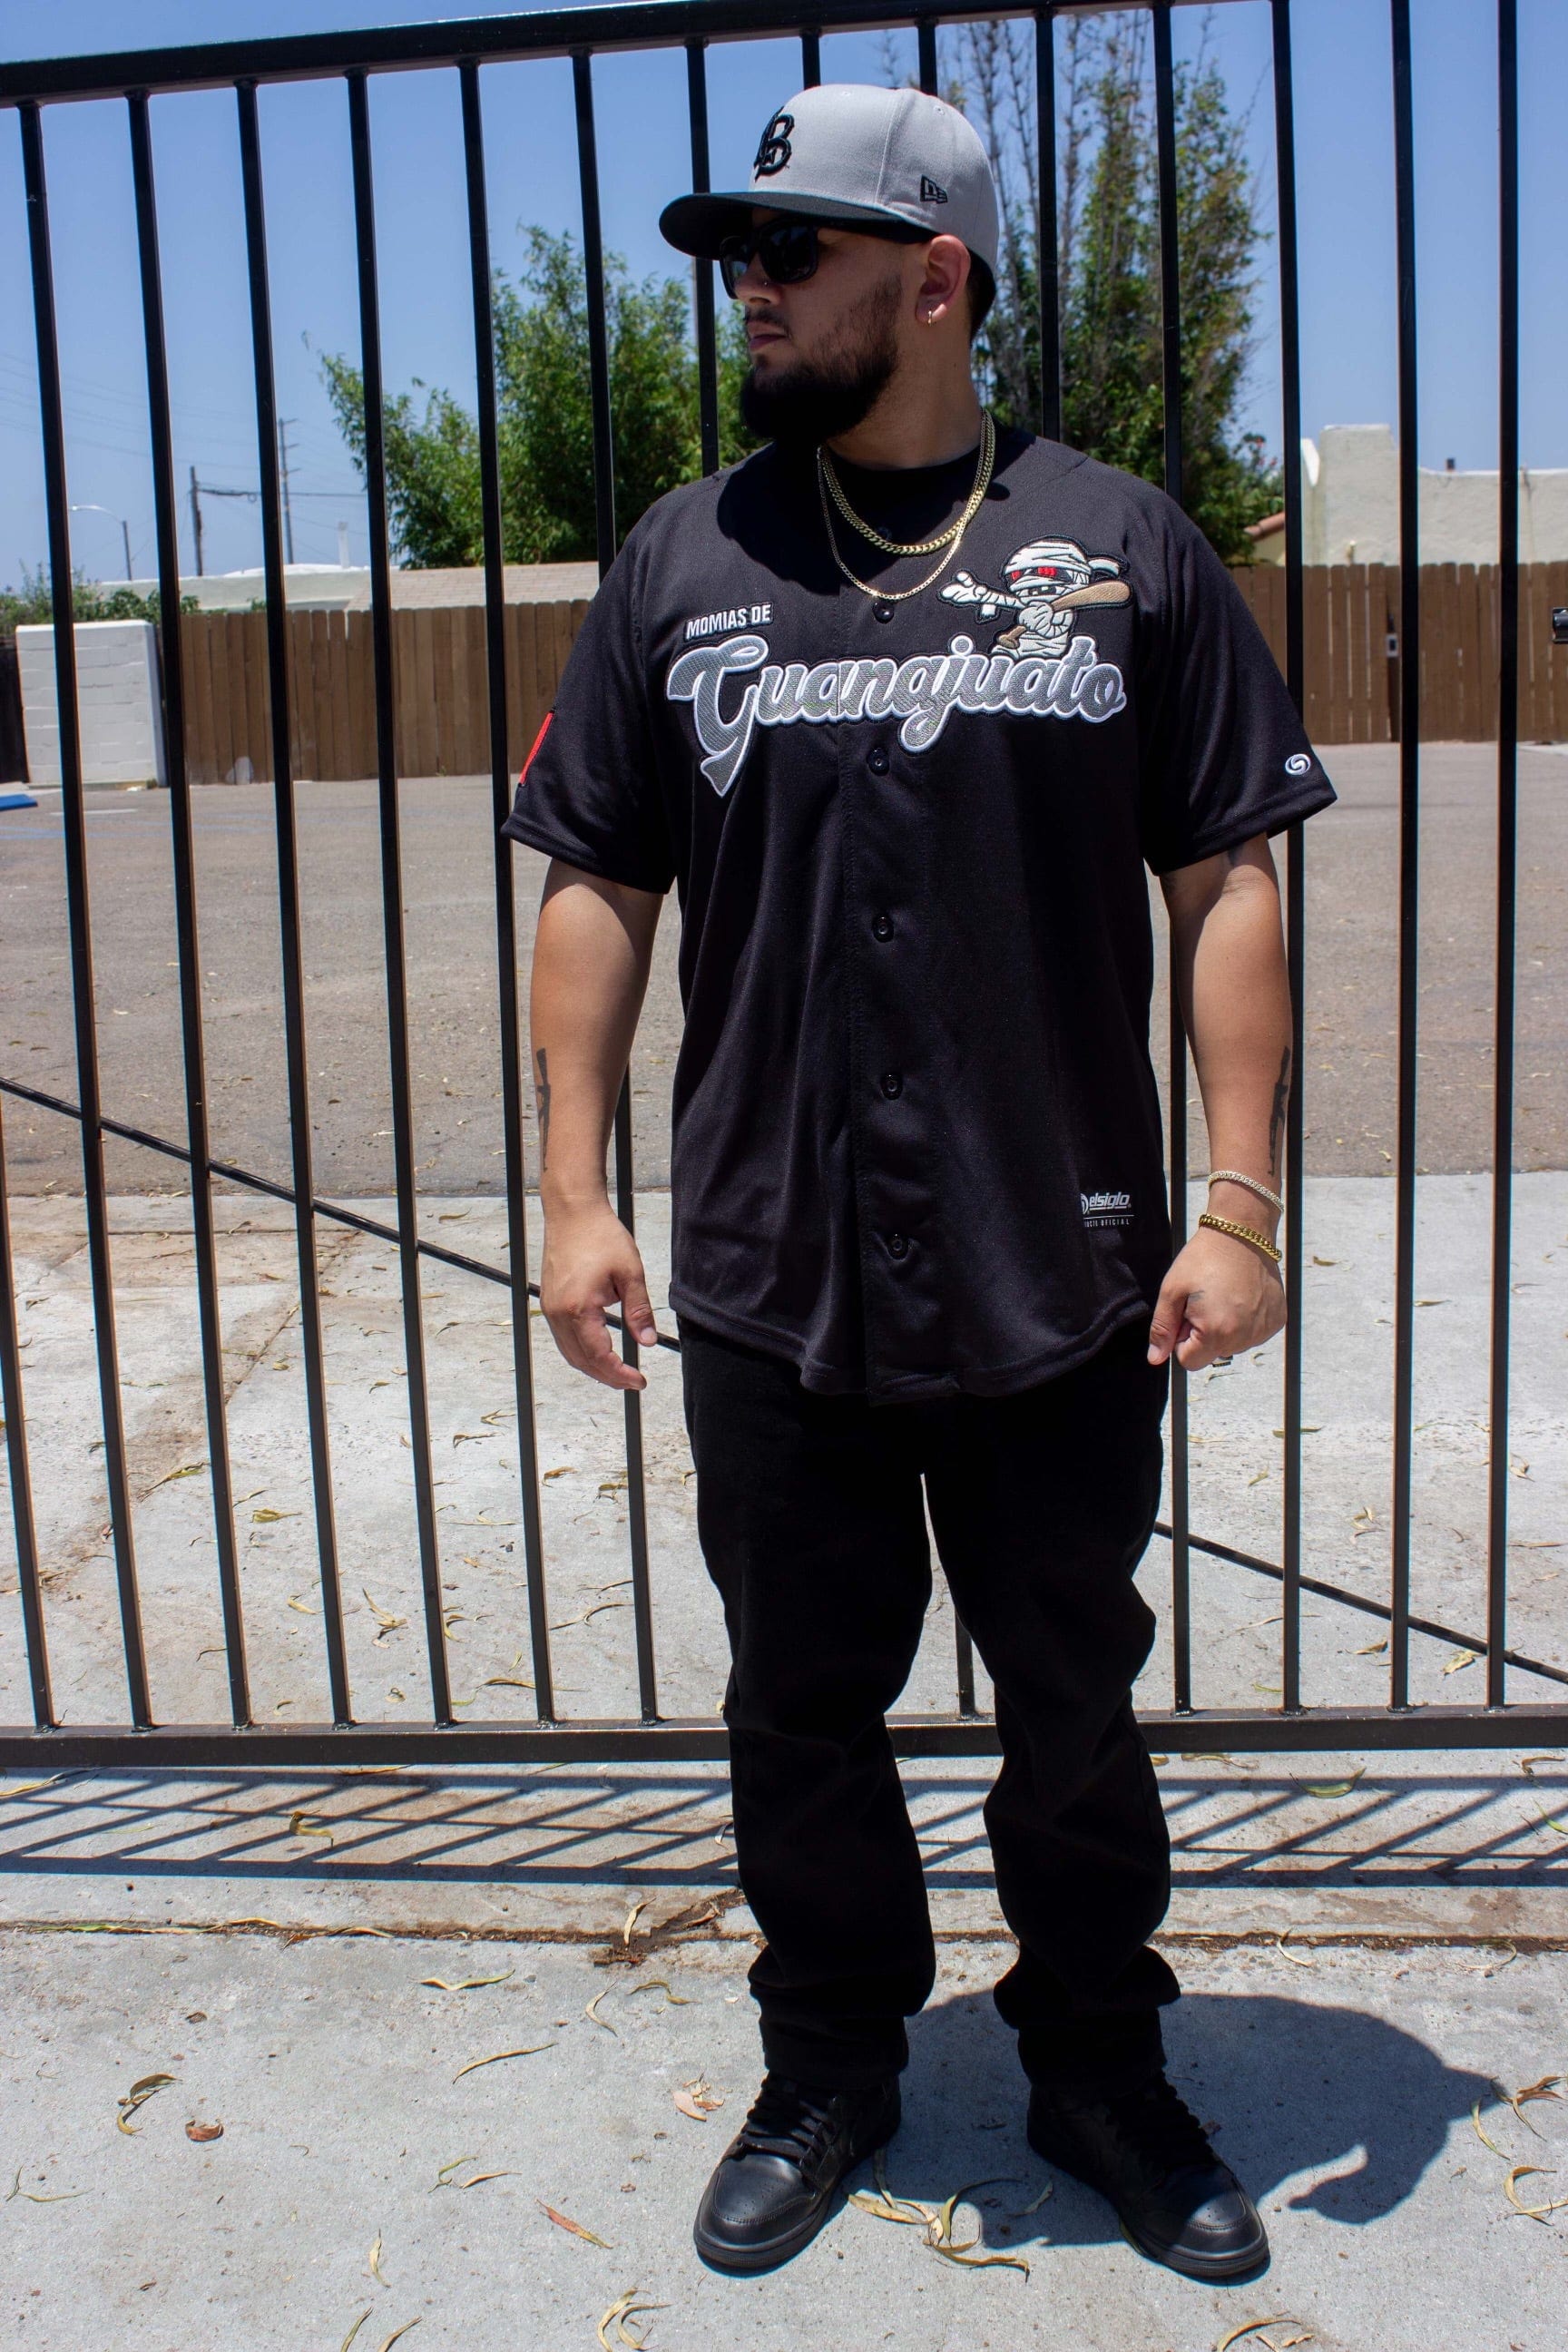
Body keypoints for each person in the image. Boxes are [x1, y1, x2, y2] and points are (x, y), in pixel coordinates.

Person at [504, 80, 1335, 2285]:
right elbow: (594, 882)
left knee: (1072, 1701)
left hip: (1059, 1258)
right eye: (741, 257)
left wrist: (1242, 1200)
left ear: (937, 275)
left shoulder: (1122, 546)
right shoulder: (684, 560)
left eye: (795, 253)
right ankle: (829, 2061)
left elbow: (1226, 879)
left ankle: (1099, 2063)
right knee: (799, 1705)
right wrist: (573, 1196)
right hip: (774, 1265)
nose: (752, 294)